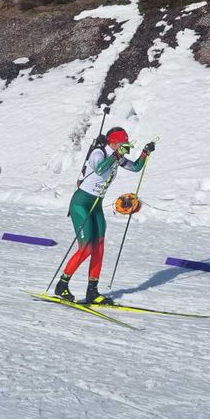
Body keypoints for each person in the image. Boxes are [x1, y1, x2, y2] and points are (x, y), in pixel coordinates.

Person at [54, 127, 155, 304]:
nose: (124, 147)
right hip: (81, 204)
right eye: (122, 144)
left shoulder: (117, 156)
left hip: (96, 205)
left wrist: (145, 153)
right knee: (86, 247)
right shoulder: (98, 153)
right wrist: (116, 156)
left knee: (99, 247)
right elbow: (100, 169)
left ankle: (92, 291)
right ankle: (62, 285)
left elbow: (136, 168)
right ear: (113, 143)